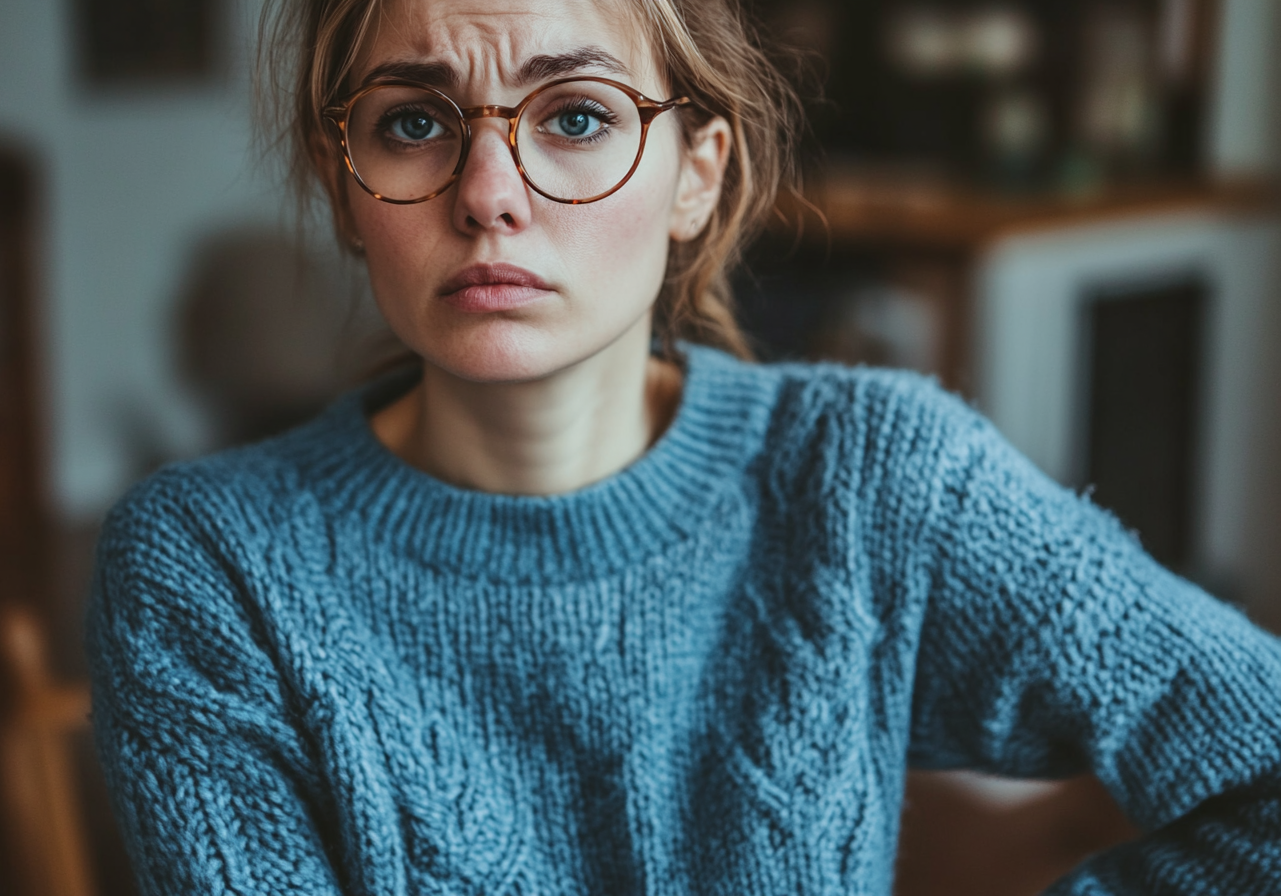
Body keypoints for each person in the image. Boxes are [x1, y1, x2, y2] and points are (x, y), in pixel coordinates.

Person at [85, 0, 1281, 892]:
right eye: (413, 121)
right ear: (345, 186)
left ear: (696, 175)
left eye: (578, 116)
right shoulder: (210, 566)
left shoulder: (871, 477)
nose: (490, 189)